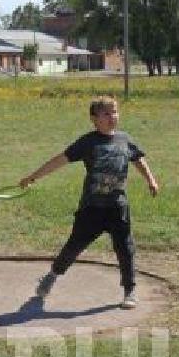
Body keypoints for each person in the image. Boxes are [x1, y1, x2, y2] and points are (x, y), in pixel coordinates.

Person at [19, 96, 160, 309]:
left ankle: (129, 290)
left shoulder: (125, 139)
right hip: (91, 209)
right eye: (106, 114)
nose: (112, 117)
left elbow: (138, 159)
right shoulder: (87, 142)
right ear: (94, 119)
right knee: (73, 246)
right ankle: (52, 275)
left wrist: (151, 180)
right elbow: (60, 160)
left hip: (117, 207)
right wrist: (33, 176)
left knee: (125, 248)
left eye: (115, 112)